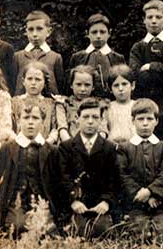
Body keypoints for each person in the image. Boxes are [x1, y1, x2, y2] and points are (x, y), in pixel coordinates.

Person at [56, 99, 118, 238]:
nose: (90, 121)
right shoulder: (66, 147)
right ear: (77, 119)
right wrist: (73, 201)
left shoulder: (109, 147)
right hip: (77, 204)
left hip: (100, 205)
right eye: (86, 117)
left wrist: (106, 201)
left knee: (103, 231)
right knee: (78, 232)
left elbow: (114, 179)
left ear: (101, 120)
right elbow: (63, 177)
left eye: (95, 117)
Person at [0, 104, 60, 236]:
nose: (30, 122)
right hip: (17, 203)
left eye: (35, 118)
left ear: (42, 123)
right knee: (17, 227)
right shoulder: (8, 148)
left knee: (46, 230)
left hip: (42, 202)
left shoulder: (51, 151)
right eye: (26, 118)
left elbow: (56, 184)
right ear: (19, 121)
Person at [117, 98, 163, 237]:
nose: (145, 123)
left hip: (159, 202)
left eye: (149, 119)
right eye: (140, 119)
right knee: (138, 231)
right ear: (133, 120)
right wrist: (140, 193)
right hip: (135, 202)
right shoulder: (124, 148)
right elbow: (122, 175)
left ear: (156, 121)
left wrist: (151, 192)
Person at [129, 0, 163, 141]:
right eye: (150, 17)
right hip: (144, 106)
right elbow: (136, 75)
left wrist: (150, 67)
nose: (154, 21)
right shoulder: (138, 47)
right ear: (144, 20)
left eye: (158, 17)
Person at [67, 13, 126, 99]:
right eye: (94, 32)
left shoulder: (117, 58)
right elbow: (70, 85)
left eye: (102, 32)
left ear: (109, 33)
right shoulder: (77, 57)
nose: (98, 36)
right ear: (87, 33)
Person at [11, 61, 68, 144]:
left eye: (38, 79)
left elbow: (54, 129)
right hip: (19, 146)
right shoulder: (14, 102)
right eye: (30, 79)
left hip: (45, 147)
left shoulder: (51, 104)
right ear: (23, 81)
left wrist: (46, 144)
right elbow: (10, 128)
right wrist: (20, 143)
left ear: (44, 82)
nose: (33, 83)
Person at [14, 10, 65, 95]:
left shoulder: (55, 57)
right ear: (26, 32)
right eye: (31, 29)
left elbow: (60, 86)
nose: (34, 34)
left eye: (39, 29)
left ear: (48, 31)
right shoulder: (18, 56)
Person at [62, 65, 109, 139]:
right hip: (70, 145)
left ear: (93, 86)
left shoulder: (100, 105)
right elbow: (62, 128)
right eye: (78, 84)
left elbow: (102, 130)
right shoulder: (64, 104)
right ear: (71, 85)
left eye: (87, 85)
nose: (82, 89)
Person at [106, 64, 136, 144]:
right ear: (110, 89)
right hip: (112, 146)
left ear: (132, 85)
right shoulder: (108, 107)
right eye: (116, 85)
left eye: (124, 84)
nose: (120, 89)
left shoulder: (137, 106)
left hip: (133, 147)